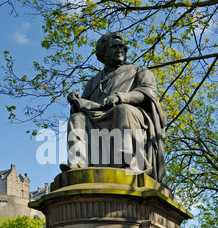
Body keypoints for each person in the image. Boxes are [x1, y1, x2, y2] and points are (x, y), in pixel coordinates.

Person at [60, 32, 167, 182]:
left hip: (131, 115)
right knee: (77, 118)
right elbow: (84, 105)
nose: (119, 50)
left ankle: (128, 162)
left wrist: (121, 97)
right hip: (99, 117)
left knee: (122, 110)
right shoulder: (94, 81)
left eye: (122, 47)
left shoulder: (138, 71)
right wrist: (76, 101)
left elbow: (148, 92)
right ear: (103, 52)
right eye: (114, 47)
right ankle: (78, 162)